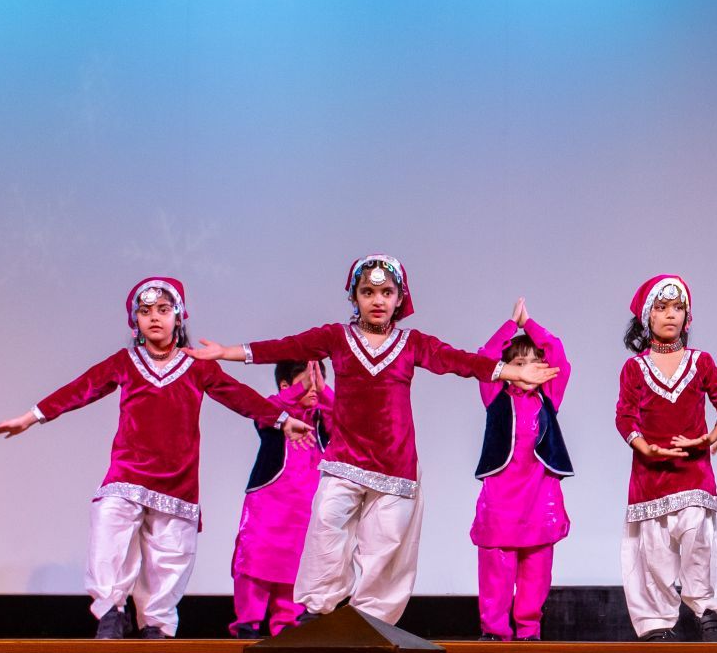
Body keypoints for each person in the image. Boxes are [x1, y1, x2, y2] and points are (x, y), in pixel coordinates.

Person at [186, 255, 554, 622]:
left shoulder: (411, 342)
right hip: (345, 459)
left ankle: (370, 618)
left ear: (399, 298)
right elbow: (286, 347)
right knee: (326, 524)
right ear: (354, 297)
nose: (377, 300)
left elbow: (458, 361)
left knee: (384, 545)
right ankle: (318, 607)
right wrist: (227, 353)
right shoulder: (337, 338)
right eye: (368, 292)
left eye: (386, 292)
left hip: (395, 465)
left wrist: (512, 372)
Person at [0, 277, 309, 638]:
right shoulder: (126, 362)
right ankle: (111, 612)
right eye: (145, 312)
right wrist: (31, 417)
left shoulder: (197, 365)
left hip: (177, 480)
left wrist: (282, 420)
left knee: (169, 557)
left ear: (179, 316)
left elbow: (237, 395)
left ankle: (155, 625)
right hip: (128, 474)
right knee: (108, 534)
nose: (154, 317)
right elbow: (81, 388)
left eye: (162, 310)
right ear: (135, 321)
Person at [615, 274, 717, 642]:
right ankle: (656, 624)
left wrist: (709, 438)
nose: (671, 314)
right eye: (662, 307)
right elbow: (625, 417)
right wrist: (646, 447)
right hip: (650, 477)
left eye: (678, 307)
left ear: (687, 317)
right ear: (647, 317)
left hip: (693, 472)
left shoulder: (701, 362)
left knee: (698, 537)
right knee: (654, 552)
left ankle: (706, 611)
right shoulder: (635, 368)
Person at [470, 298, 573, 641]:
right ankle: (494, 631)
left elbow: (557, 354)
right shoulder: (495, 396)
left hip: (540, 497)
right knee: (496, 569)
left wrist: (529, 324)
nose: (529, 370)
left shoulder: (549, 396)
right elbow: (485, 358)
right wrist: (509, 326)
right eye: (518, 363)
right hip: (501, 500)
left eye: (535, 363)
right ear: (507, 370)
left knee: (536, 570)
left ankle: (529, 632)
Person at [229, 359, 332, 638]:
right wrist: (298, 391)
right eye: (307, 380)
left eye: (318, 380)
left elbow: (346, 415)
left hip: (304, 512)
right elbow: (266, 407)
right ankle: (248, 624)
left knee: (296, 568)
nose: (314, 387)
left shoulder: (322, 420)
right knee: (255, 563)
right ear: (286, 386)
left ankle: (288, 626)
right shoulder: (274, 415)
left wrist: (323, 391)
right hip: (267, 508)